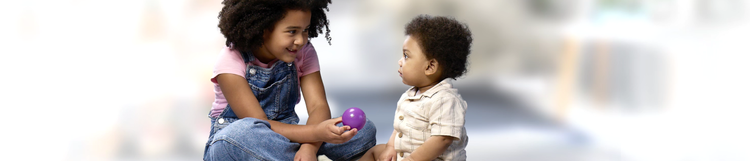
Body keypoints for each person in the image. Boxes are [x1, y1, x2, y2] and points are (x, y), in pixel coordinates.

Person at [203, 0, 376, 160]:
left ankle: (295, 155)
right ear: (263, 29)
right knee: (239, 134)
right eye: (292, 31)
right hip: (245, 141)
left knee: (362, 128)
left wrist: (310, 147)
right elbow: (259, 123)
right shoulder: (231, 59)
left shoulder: (304, 52)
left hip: (292, 138)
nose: (300, 40)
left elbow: (318, 106)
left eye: (305, 30)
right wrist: (316, 133)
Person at [360, 15, 472, 161]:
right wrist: (390, 147)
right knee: (376, 152)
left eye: (406, 56)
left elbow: (442, 139)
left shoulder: (446, 100)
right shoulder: (411, 94)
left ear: (430, 67)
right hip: (406, 155)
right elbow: (401, 128)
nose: (400, 61)